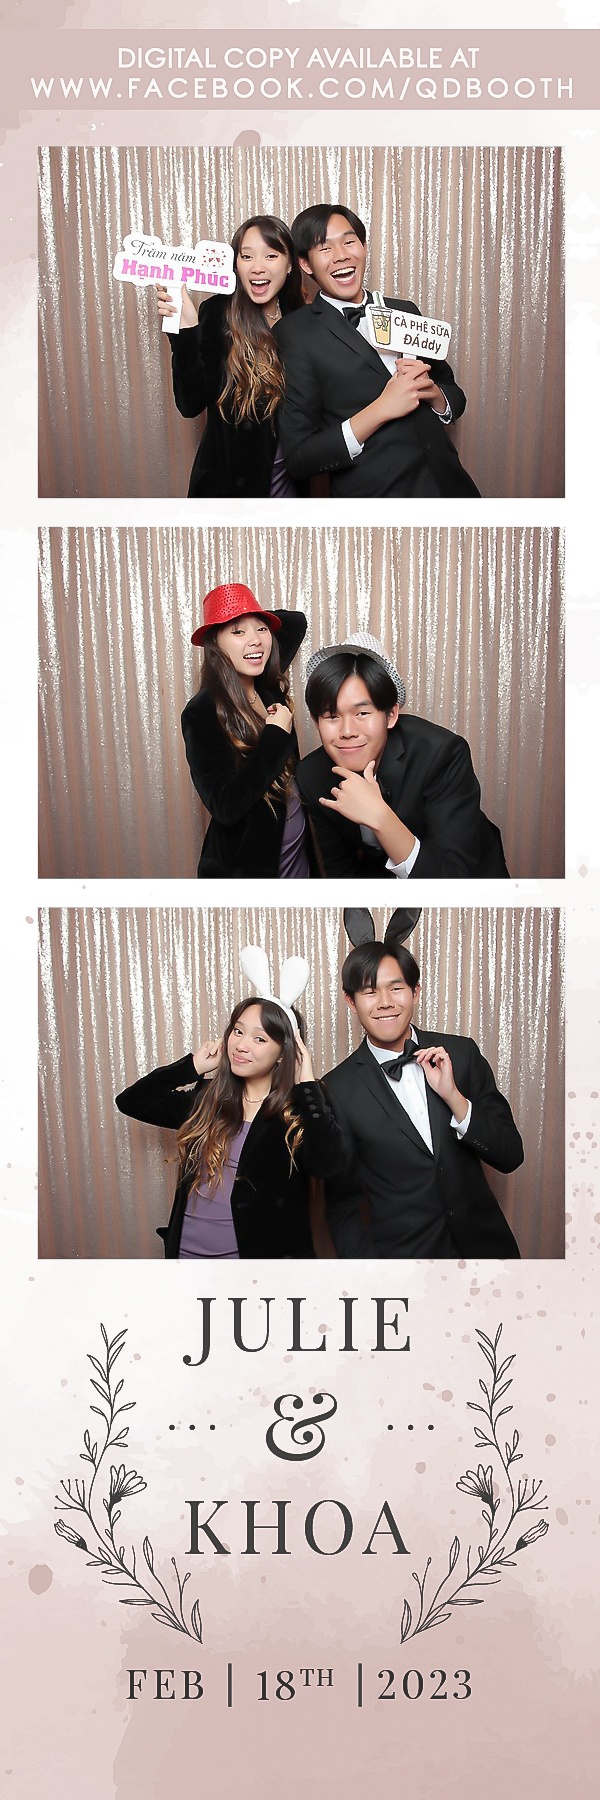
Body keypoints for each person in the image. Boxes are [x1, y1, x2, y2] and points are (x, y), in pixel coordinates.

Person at [115, 949, 344, 1259]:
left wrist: (306, 1087)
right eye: (238, 1031)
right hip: (188, 1259)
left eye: (260, 1039)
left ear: (284, 1053)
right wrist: (191, 1067)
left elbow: (329, 1166)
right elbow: (132, 1102)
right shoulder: (207, 1098)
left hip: (257, 1271)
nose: (241, 1045)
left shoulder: (301, 1107)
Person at [322, 913, 523, 1259]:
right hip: (405, 1263)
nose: (385, 1002)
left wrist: (454, 1098)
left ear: (415, 992)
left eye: (396, 988)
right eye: (369, 992)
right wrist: (367, 1273)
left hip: (487, 1254)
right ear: (351, 1001)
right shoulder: (336, 1089)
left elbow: (510, 1155)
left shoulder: (462, 1053)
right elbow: (342, 1204)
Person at [273, 204, 479, 498]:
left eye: (349, 242)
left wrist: (433, 393)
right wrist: (381, 409)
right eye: (325, 248)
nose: (341, 255)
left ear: (364, 247)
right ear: (306, 264)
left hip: (450, 486)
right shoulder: (294, 333)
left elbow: (455, 395)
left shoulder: (405, 310)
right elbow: (300, 458)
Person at [296, 632, 508, 878]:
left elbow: (452, 878)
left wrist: (379, 816)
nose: (347, 731)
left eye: (362, 713)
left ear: (391, 715)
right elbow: (341, 870)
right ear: (316, 721)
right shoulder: (311, 775)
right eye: (332, 716)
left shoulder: (441, 754)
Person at [157, 214, 305, 497]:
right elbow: (191, 404)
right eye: (246, 256)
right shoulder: (218, 313)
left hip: (290, 486)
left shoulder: (303, 318)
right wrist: (186, 332)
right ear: (235, 264)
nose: (258, 267)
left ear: (289, 264)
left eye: (271, 255)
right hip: (229, 491)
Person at [181, 582, 310, 878]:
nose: (255, 641)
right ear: (215, 644)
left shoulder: (267, 688)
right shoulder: (201, 711)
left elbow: (295, 622)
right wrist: (275, 737)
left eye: (262, 629)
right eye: (237, 632)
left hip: (297, 854)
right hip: (248, 869)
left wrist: (248, 616)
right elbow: (225, 806)